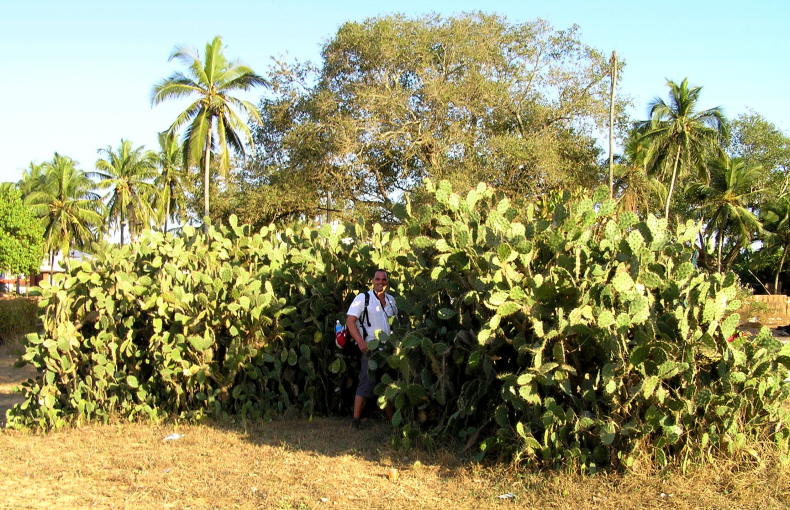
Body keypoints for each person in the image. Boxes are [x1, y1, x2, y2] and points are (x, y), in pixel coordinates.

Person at [346, 268, 398, 429]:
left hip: (389, 351)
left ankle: (391, 422)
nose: (380, 282)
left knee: (388, 385)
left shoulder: (391, 300)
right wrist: (361, 342)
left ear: (387, 282)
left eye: (384, 279)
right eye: (377, 279)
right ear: (372, 280)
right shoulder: (363, 298)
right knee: (366, 383)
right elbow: (350, 321)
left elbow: (395, 323)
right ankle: (355, 421)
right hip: (370, 349)